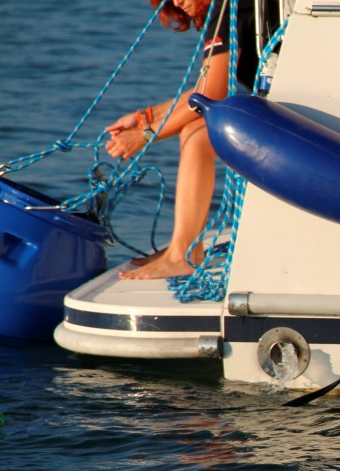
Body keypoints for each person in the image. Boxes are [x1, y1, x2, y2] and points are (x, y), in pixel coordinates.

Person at [105, 0, 268, 280]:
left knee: (196, 137)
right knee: (193, 130)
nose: (178, 2)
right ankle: (187, 249)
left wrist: (146, 135)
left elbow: (212, 93)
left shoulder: (228, 7)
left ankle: (183, 255)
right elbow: (206, 89)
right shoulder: (225, 9)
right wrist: (145, 117)